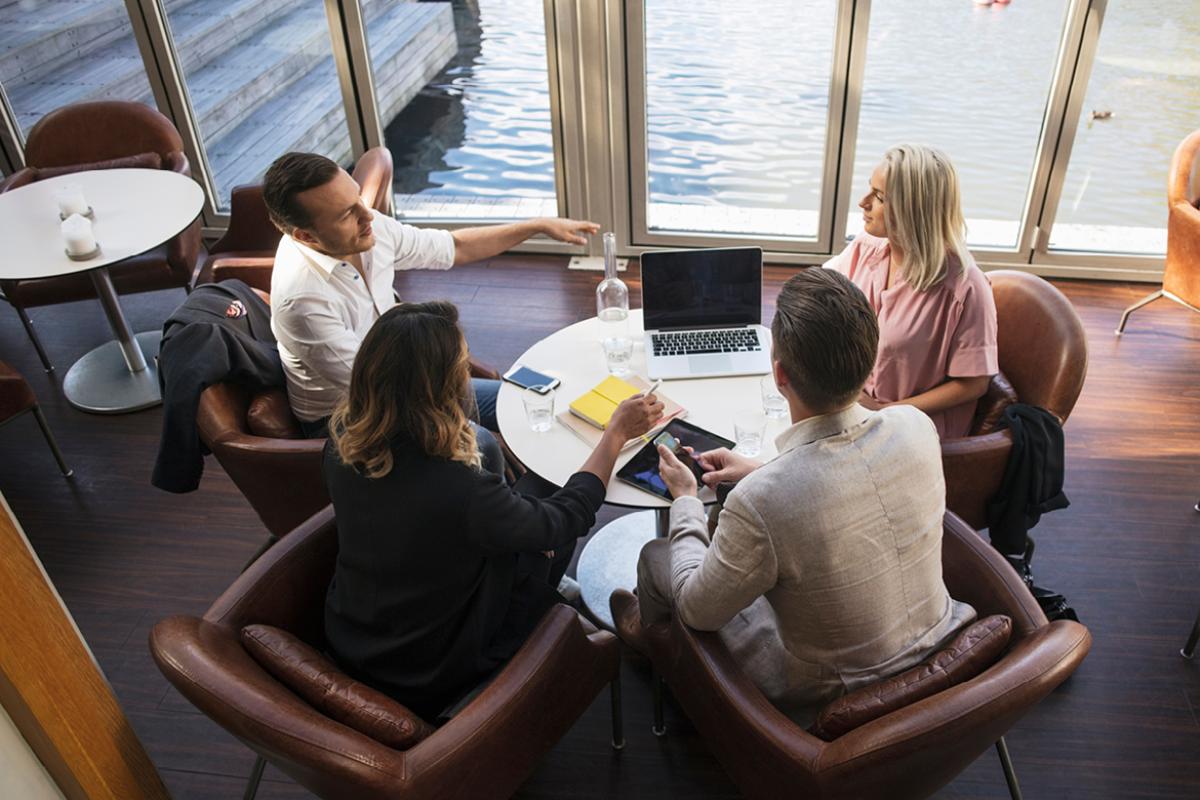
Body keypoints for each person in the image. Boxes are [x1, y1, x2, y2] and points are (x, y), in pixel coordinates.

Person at [634, 268, 975, 721]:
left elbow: (697, 610)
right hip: (937, 638)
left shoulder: (762, 502)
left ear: (779, 374)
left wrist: (685, 500)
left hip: (832, 687)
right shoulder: (916, 426)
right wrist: (761, 471)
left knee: (658, 555)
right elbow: (848, 478)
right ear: (870, 363)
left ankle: (671, 669)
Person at [323, 301, 662, 719]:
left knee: (537, 488)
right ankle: (542, 603)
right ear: (444, 387)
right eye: (462, 368)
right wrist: (615, 433)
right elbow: (563, 520)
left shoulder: (342, 438)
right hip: (433, 659)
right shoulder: (461, 485)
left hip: (362, 631)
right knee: (555, 523)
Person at [263, 151, 600, 438]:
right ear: (306, 236)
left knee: (528, 405)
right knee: (482, 444)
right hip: (351, 416)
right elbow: (379, 390)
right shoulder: (304, 301)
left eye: (357, 200)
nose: (369, 216)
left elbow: (453, 247)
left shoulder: (367, 229)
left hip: (404, 379)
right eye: (346, 214)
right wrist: (458, 407)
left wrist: (535, 226)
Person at [825, 144, 997, 440]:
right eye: (870, 189)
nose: (863, 202)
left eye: (879, 197)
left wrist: (885, 412)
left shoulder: (966, 288)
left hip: (914, 432)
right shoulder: (864, 248)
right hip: (854, 411)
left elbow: (974, 384)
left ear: (913, 209)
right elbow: (821, 296)